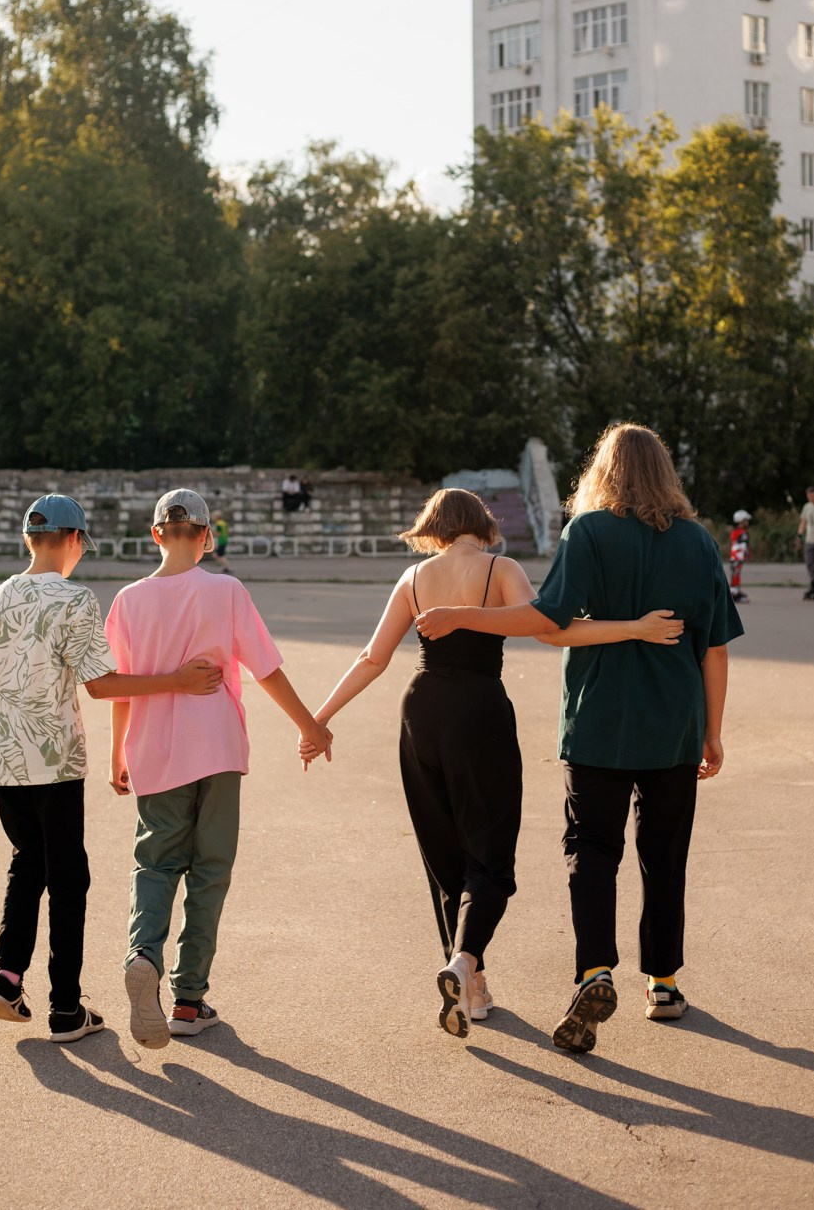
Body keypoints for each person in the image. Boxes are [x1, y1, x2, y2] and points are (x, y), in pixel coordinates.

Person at [302, 486, 683, 1040]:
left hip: (421, 711)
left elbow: (372, 658)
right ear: (482, 525)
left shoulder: (412, 578)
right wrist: (634, 628)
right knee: (490, 858)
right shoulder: (499, 568)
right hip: (479, 710)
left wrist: (317, 720)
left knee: (444, 856)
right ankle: (464, 964)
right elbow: (549, 627)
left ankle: (472, 987)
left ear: (433, 528)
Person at [417, 424, 743, 1055]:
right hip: (673, 724)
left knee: (591, 851)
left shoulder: (588, 531)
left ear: (603, 472)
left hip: (597, 723)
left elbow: (548, 620)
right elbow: (715, 649)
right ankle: (664, 984)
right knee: (664, 853)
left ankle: (596, 971)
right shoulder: (699, 543)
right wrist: (713, 732)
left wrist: (462, 617)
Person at [0, 493, 222, 1045]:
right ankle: (65, 1009)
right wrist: (177, 681)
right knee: (68, 880)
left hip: (2, 758)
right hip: (53, 761)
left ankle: (7, 977)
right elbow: (102, 685)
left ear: (28, 539)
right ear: (74, 539)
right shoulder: (74, 598)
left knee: (27, 863)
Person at [106, 488, 333, 1050]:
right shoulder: (226, 590)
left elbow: (121, 686)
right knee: (210, 870)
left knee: (156, 862)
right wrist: (310, 726)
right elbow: (266, 668)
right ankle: (188, 999)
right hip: (218, 747)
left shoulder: (128, 601)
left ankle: (143, 956)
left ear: (155, 534)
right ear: (207, 537)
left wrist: (117, 752)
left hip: (154, 750)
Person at [729, 510, 751, 604]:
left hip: (735, 557)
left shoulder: (735, 532)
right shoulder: (742, 533)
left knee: (736, 575)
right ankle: (734, 594)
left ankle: (735, 591)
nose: (747, 522)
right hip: (737, 558)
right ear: (741, 521)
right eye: (746, 520)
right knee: (736, 575)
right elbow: (743, 546)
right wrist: (747, 554)